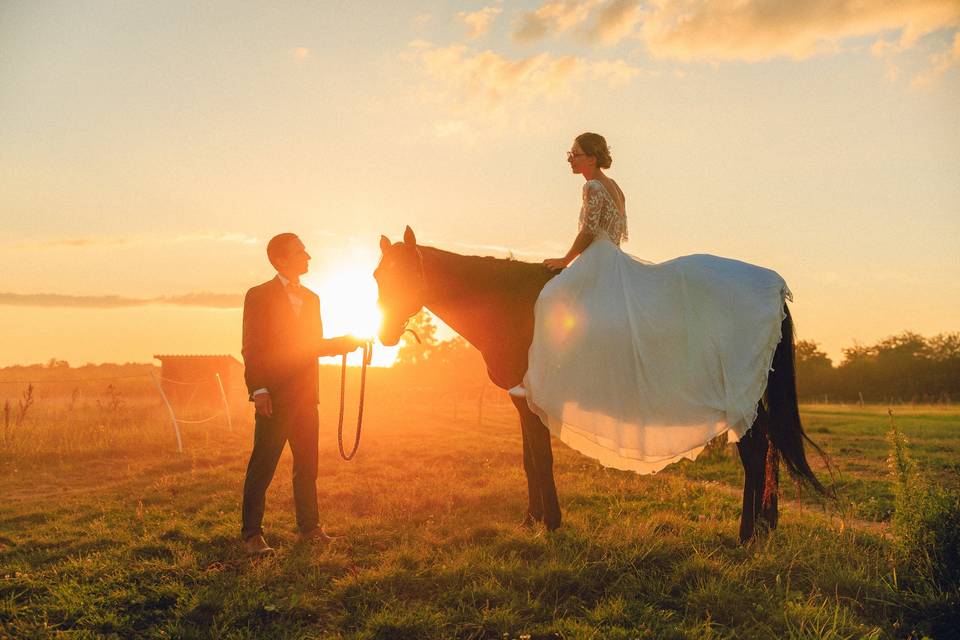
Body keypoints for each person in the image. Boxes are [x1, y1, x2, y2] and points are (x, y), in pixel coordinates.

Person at [524, 133, 792, 474]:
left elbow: (591, 229)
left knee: (551, 299)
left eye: (574, 154)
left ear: (591, 157)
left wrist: (565, 260)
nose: (569, 159)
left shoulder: (592, 187)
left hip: (599, 258)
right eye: (569, 154)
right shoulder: (615, 186)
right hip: (613, 255)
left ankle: (544, 378)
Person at [240, 232, 364, 556]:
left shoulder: (312, 299)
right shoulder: (258, 296)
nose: (308, 256)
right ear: (280, 260)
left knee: (307, 467)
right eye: (300, 252)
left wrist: (350, 341)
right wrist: (259, 389)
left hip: (307, 397)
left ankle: (310, 529)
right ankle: (252, 535)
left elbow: (311, 346)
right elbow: (251, 347)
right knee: (263, 466)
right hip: (274, 397)